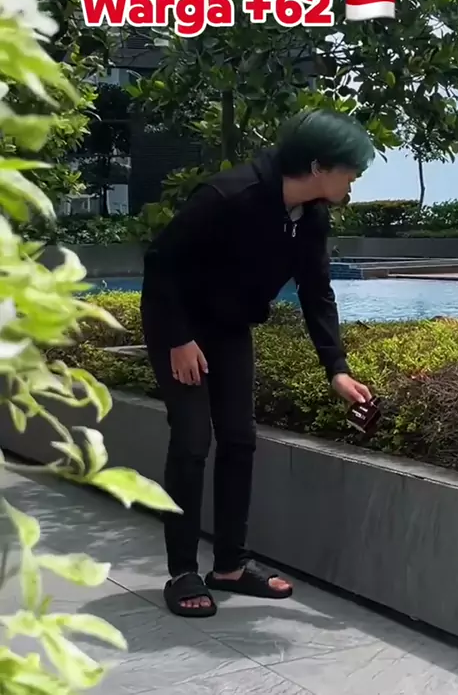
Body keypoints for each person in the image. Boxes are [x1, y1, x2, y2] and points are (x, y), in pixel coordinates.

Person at [141, 109, 374, 618]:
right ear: (318, 166)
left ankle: (229, 565)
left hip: (228, 328)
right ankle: (182, 572)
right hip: (178, 325)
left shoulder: (311, 216)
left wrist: (336, 368)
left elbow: (316, 291)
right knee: (192, 441)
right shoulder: (229, 194)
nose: (355, 178)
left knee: (239, 439)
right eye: (350, 169)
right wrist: (179, 338)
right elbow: (160, 262)